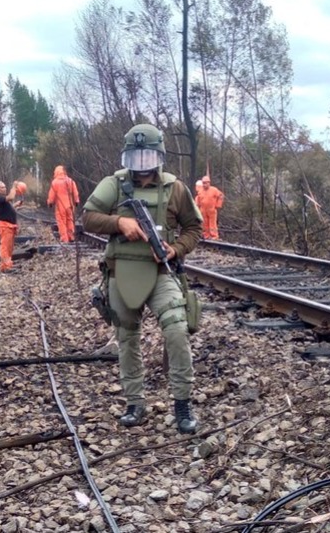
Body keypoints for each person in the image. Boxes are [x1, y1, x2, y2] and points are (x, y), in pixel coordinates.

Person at [82, 123, 203, 434]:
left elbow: (194, 228)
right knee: (127, 337)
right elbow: (89, 217)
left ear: (158, 155)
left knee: (176, 329)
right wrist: (120, 222)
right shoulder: (114, 184)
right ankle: (135, 403)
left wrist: (175, 250)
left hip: (161, 270)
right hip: (122, 269)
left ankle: (182, 403)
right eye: (136, 157)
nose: (142, 164)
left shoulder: (175, 188)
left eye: (147, 156)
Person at [0, 180, 21, 274]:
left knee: (9, 247)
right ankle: (5, 267)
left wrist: (15, 205)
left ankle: (9, 264)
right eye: (2, 187)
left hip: (10, 226)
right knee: (5, 247)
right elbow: (11, 197)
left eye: (5, 187)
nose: (5, 188)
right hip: (4, 226)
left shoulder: (2, 199)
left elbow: (7, 209)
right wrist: (14, 186)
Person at [47, 165, 80, 242]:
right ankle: (71, 236)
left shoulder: (55, 182)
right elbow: (75, 193)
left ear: (56, 172)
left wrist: (50, 202)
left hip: (60, 206)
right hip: (70, 206)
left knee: (61, 222)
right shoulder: (70, 181)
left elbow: (51, 195)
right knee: (70, 220)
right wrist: (76, 201)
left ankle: (64, 238)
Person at [196, 175, 224, 240]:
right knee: (204, 223)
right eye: (203, 183)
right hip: (203, 210)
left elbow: (221, 196)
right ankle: (206, 235)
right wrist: (198, 206)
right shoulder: (200, 191)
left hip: (211, 209)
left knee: (212, 223)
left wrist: (218, 205)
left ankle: (214, 236)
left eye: (206, 183)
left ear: (209, 183)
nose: (204, 184)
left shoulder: (214, 190)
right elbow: (198, 199)